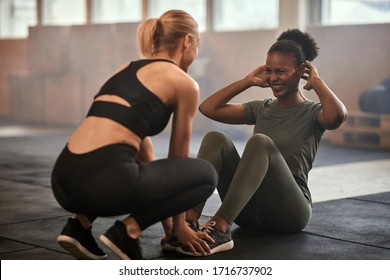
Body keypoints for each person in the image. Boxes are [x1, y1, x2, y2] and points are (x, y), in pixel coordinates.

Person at [51, 10, 217, 260]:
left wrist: (168, 226)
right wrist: (180, 228)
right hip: (102, 187)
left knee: (119, 163)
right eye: (198, 45)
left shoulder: (125, 69)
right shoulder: (184, 83)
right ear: (187, 41)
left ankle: (79, 226)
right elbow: (178, 160)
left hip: (62, 180)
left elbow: (143, 150)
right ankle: (127, 232)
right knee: (205, 175)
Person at [173, 29, 348, 256]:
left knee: (260, 143)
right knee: (215, 138)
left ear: (301, 72)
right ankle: (189, 221)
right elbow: (208, 108)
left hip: (289, 213)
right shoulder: (261, 108)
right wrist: (247, 81)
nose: (273, 78)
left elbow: (338, 116)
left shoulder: (313, 113)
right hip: (249, 213)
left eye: (281, 71)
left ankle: (221, 227)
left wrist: (318, 82)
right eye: (269, 71)